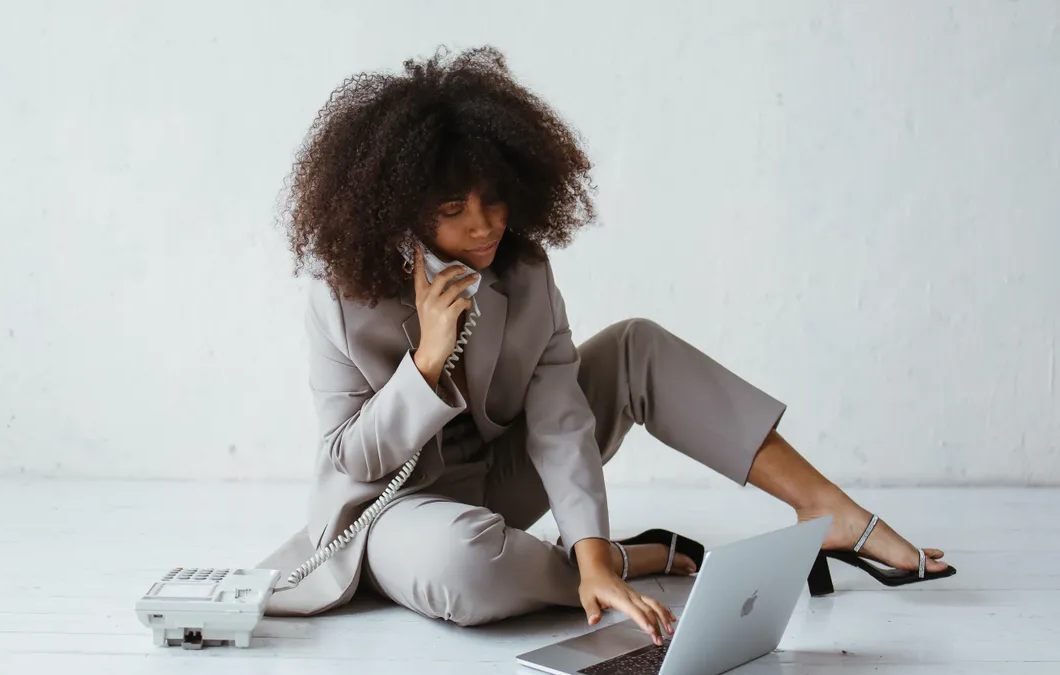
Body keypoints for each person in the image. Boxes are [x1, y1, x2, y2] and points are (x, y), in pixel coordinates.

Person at [258, 46, 954, 642]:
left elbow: (561, 419)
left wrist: (583, 542)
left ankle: (828, 513)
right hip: (399, 515)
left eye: (494, 198)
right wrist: (426, 362)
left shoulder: (522, 270)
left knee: (635, 346)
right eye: (452, 211)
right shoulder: (340, 295)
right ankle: (615, 565)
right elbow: (349, 456)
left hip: (500, 480)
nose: (484, 226)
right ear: (400, 208)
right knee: (461, 566)